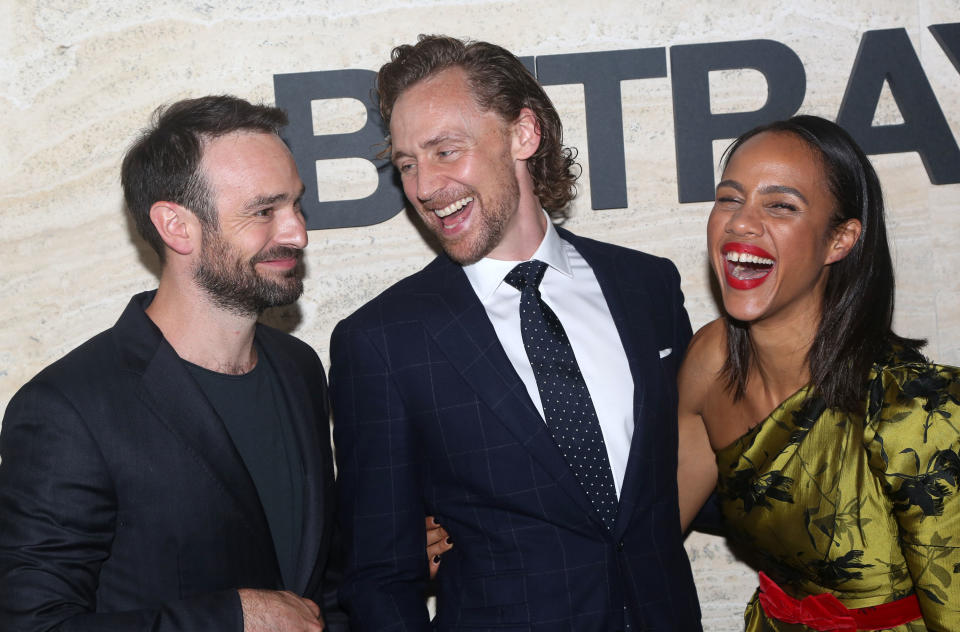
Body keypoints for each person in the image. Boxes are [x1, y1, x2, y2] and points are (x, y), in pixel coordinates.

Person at [330, 35, 702, 631]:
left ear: (522, 135)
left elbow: (688, 474)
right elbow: (379, 578)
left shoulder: (647, 288)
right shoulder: (383, 342)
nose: (424, 187)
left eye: (446, 151)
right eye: (406, 165)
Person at [0, 95, 347, 631]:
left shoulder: (298, 368)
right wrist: (229, 620)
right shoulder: (68, 410)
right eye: (264, 211)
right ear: (176, 226)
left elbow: (303, 572)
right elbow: (34, 625)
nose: (297, 232)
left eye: (296, 205)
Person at [677, 115, 960, 630]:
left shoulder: (919, 411)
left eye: (781, 205)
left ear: (840, 240)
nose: (741, 222)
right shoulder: (710, 359)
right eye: (729, 198)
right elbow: (650, 528)